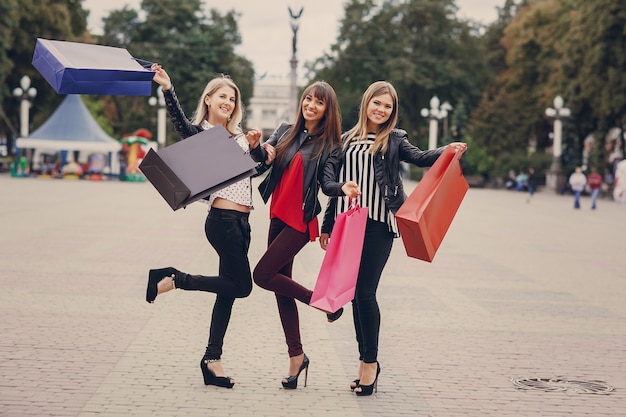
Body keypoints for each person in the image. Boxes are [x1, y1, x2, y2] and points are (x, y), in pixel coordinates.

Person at [320, 81, 467, 396]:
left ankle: (369, 365)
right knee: (355, 296)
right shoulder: (344, 141)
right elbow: (331, 184)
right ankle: (365, 363)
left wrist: (449, 150)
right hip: (349, 226)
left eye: (387, 106)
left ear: (392, 111)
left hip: (379, 225)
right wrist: (326, 225)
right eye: (377, 103)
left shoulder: (394, 140)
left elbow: (422, 157)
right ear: (366, 103)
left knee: (366, 293)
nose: (381, 110)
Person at [145, 64, 267, 388]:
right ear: (209, 100)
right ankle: (175, 278)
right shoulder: (203, 133)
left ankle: (212, 360)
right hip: (223, 221)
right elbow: (181, 124)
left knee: (227, 291)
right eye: (222, 96)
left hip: (242, 224)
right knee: (242, 287)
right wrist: (168, 89)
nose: (228, 101)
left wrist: (256, 148)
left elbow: (259, 168)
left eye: (232, 98)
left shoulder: (239, 138)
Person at [251, 81, 360, 390]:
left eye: (319, 102)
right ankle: (297, 358)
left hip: (300, 221)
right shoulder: (284, 130)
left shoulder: (330, 145)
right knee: (280, 288)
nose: (311, 105)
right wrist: (258, 146)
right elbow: (262, 163)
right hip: (275, 216)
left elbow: (327, 184)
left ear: (328, 110)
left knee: (261, 274)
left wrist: (343, 188)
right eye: (308, 98)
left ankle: (326, 303)